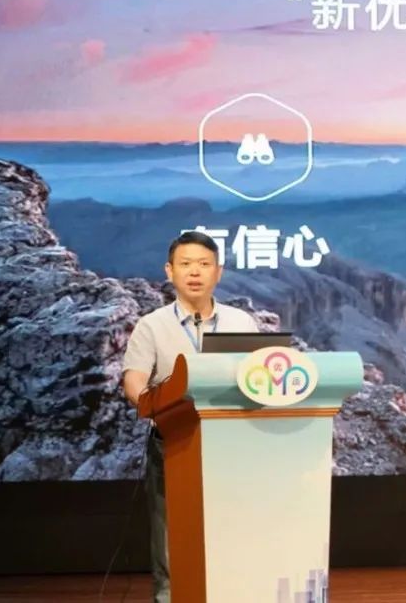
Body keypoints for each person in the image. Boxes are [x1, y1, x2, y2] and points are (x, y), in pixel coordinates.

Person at [122, 231, 259, 603]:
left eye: (203, 264)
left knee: (232, 526)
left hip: (231, 442)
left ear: (218, 272)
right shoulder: (152, 325)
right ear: (170, 271)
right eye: (185, 264)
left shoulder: (242, 322)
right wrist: (152, 405)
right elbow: (134, 380)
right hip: (174, 441)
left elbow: (259, 376)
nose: (194, 272)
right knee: (170, 531)